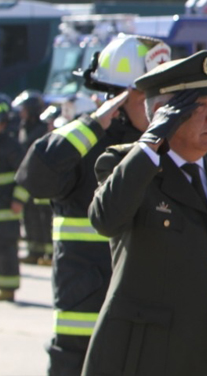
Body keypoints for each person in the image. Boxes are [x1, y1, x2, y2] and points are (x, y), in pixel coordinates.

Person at [83, 50, 207, 376]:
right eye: (199, 107)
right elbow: (105, 219)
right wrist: (151, 141)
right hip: (150, 358)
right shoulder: (126, 166)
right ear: (162, 114)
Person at [15, 35, 172, 376]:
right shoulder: (84, 143)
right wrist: (91, 125)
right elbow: (34, 177)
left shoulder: (166, 148)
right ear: (118, 97)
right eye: (148, 95)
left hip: (148, 323)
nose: (160, 104)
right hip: (84, 328)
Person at [13, 90, 52, 265]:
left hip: (41, 179)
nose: (21, 112)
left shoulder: (43, 129)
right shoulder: (22, 127)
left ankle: (48, 254)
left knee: (44, 217)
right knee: (29, 216)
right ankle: (34, 251)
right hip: (26, 178)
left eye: (24, 108)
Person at [0, 96, 24, 302]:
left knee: (7, 252)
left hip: (7, 212)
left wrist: (19, 200)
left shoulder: (12, 147)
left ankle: (7, 290)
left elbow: (25, 178)